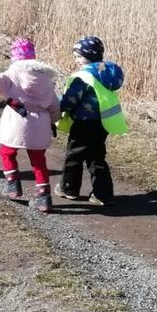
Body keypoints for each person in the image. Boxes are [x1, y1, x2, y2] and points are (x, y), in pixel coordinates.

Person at [0, 38, 62, 213]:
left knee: (7, 152)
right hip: (40, 122)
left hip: (17, 118)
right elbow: (54, 105)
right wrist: (52, 122)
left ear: (15, 56)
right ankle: (44, 197)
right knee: (39, 161)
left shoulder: (12, 74)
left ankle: (13, 186)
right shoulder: (45, 79)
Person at [54, 36, 127, 207]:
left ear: (89, 55)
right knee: (97, 157)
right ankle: (103, 194)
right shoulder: (105, 71)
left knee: (74, 156)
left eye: (79, 56)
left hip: (84, 123)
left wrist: (59, 105)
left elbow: (71, 100)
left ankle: (68, 188)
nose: (77, 60)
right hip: (103, 123)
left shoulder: (83, 77)